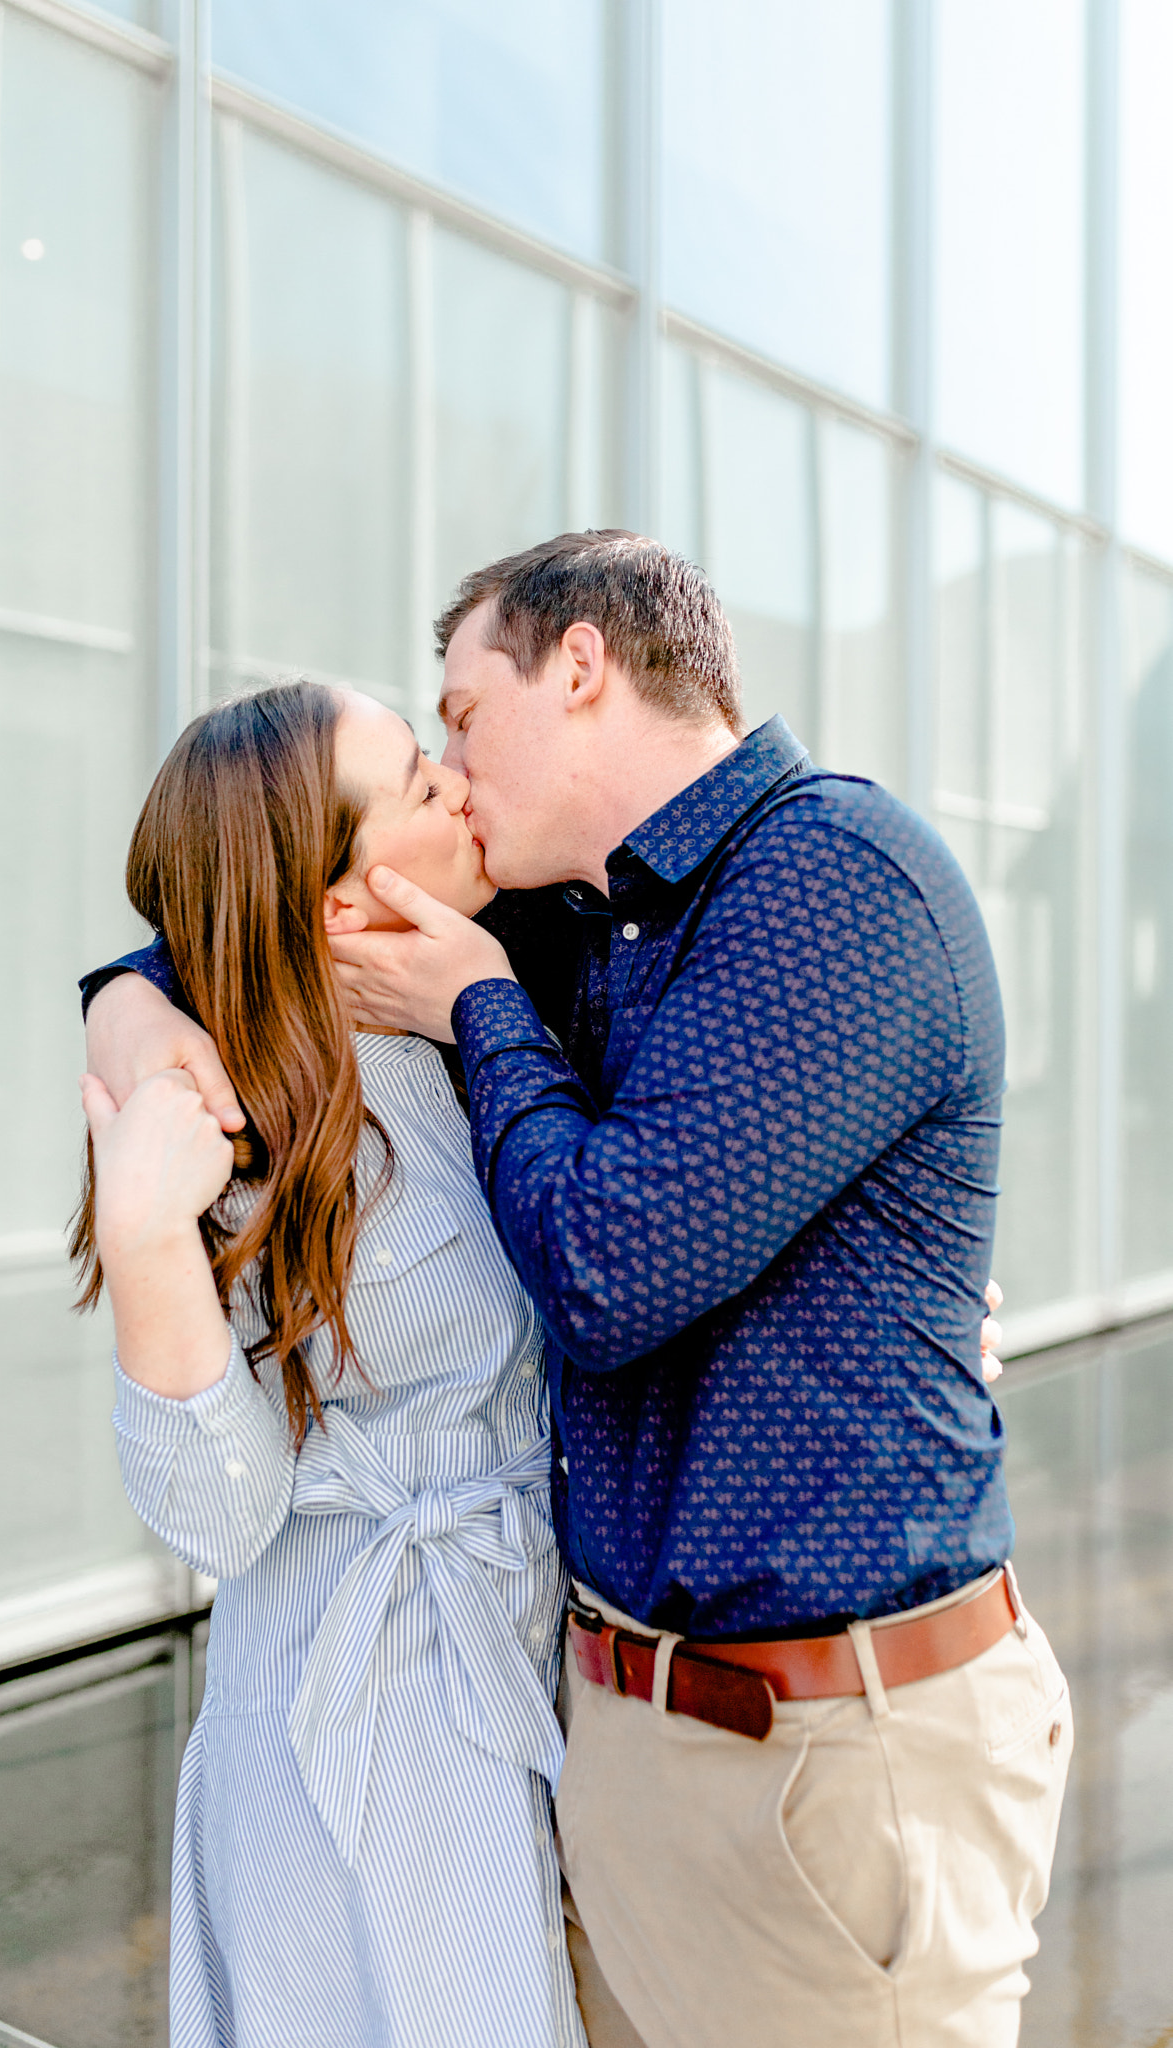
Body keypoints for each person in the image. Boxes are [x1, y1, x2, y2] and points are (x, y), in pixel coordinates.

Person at [83, 532, 1060, 2048]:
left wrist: (475, 1002)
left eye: (459, 722)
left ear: (583, 668)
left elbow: (605, 1269)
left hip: (821, 1745)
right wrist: (138, 1029)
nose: (455, 775)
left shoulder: (816, 882)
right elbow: (228, 896)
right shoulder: (577, 922)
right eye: (424, 767)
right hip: (582, 1729)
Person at [74, 682, 587, 2048]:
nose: (462, 788)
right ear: (338, 909)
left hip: (516, 1655)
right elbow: (218, 1516)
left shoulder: (488, 1005)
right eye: (421, 785)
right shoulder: (225, 1122)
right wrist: (144, 1238)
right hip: (347, 1719)